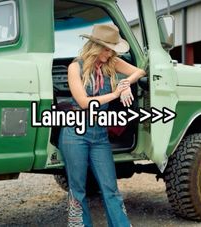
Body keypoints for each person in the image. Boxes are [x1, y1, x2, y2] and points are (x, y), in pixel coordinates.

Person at [58, 24, 146, 227]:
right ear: (95, 46)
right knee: (77, 188)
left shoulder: (111, 62)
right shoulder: (75, 67)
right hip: (75, 133)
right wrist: (116, 93)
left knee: (111, 188)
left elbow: (139, 71)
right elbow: (83, 102)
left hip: (99, 135)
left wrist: (125, 84)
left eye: (112, 49)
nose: (110, 53)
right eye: (106, 48)